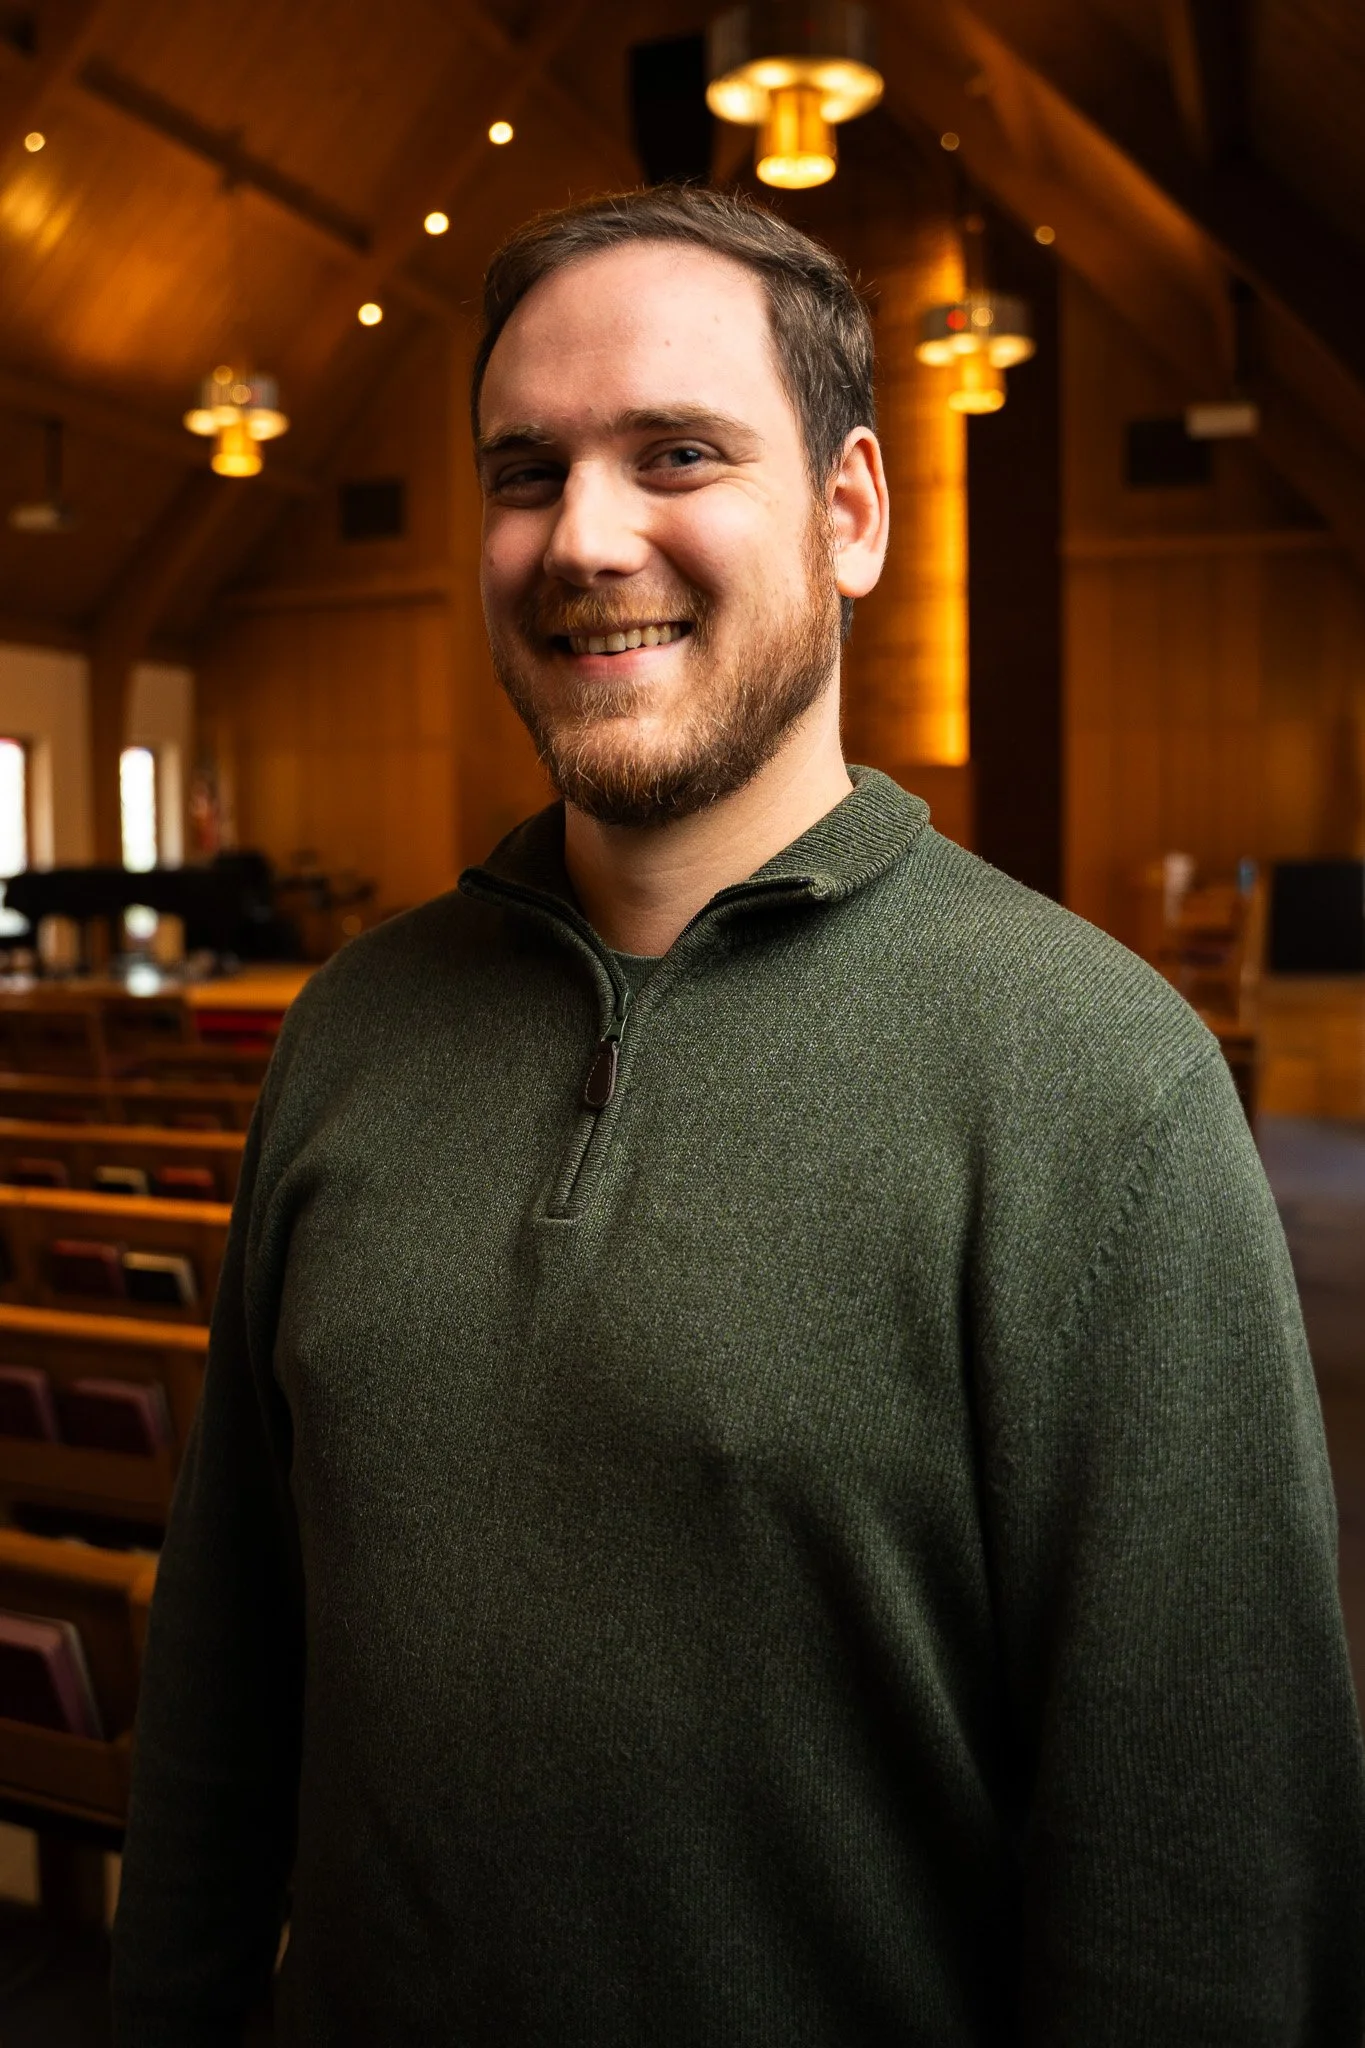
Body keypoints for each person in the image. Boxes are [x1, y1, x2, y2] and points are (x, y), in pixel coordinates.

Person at [112, 185, 1365, 2046]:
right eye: (524, 472)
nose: (582, 537)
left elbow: (1206, 1888)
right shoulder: (351, 1033)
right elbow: (226, 1686)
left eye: (676, 453)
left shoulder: (1100, 1082)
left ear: (849, 514)